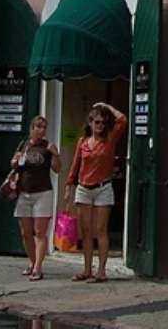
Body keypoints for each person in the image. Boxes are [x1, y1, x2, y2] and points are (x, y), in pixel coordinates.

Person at [64, 102, 127, 283]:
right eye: (96, 122)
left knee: (101, 229)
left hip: (102, 187)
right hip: (84, 187)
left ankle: (101, 271)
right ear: (90, 123)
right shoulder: (82, 142)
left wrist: (106, 106)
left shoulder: (109, 139)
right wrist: (69, 186)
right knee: (85, 230)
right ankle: (86, 269)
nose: (100, 126)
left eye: (102, 122)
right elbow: (76, 165)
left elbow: (122, 120)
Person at [11, 115, 62, 282]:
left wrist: (55, 155)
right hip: (24, 192)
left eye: (44, 127)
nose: (41, 130)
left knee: (40, 232)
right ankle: (32, 262)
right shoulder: (24, 145)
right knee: (26, 232)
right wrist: (15, 161)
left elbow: (57, 169)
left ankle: (38, 267)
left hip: (42, 192)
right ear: (32, 128)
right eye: (38, 127)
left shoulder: (47, 146)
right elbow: (14, 164)